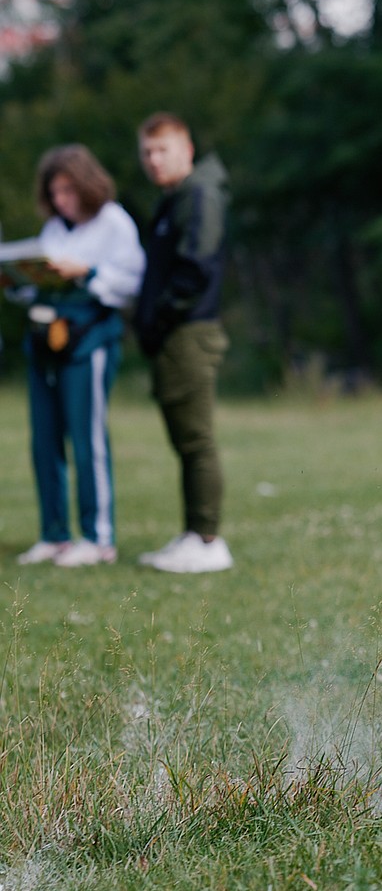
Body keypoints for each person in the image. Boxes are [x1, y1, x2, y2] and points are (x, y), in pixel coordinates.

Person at [16, 145, 145, 567]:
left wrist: (85, 273)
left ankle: (97, 536)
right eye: (55, 193)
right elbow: (36, 282)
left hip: (88, 340)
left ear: (86, 184)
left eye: (68, 190)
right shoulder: (54, 228)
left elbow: (129, 282)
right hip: (45, 338)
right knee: (44, 438)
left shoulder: (114, 222)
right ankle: (55, 534)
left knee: (86, 437)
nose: (62, 200)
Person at [132, 113, 234, 574]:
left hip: (189, 332)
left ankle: (207, 540)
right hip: (176, 333)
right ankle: (194, 532)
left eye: (163, 150)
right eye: (147, 152)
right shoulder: (176, 198)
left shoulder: (199, 194)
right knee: (186, 439)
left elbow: (196, 268)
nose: (154, 160)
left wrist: (158, 317)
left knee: (197, 440)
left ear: (187, 149)